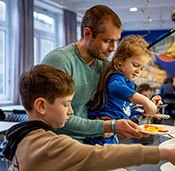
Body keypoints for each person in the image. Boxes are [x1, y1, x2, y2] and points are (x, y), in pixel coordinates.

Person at [3, 64, 175, 171]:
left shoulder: (22, 136)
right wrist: (164, 152)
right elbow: (101, 155)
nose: (71, 111)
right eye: (66, 104)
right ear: (41, 106)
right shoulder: (48, 145)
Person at [42, 5, 148, 143]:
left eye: (116, 41)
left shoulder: (104, 66)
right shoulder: (60, 61)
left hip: (89, 141)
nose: (113, 48)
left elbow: (116, 104)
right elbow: (54, 117)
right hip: (58, 143)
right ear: (87, 34)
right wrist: (107, 126)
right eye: (107, 41)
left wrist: (144, 106)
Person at [86, 35, 158, 145]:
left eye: (142, 68)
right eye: (135, 65)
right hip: (100, 131)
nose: (138, 71)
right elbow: (115, 88)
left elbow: (126, 108)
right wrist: (144, 100)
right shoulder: (116, 77)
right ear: (120, 61)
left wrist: (146, 107)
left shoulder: (128, 83)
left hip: (111, 132)